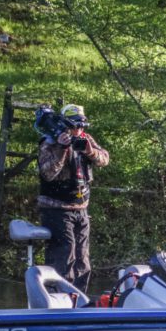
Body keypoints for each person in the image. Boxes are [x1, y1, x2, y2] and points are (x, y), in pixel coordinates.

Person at [37, 104, 110, 293]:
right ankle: (59, 298)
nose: (79, 130)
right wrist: (62, 148)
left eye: (82, 126)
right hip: (56, 208)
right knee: (65, 255)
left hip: (81, 208)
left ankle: (79, 300)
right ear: (65, 124)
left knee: (83, 260)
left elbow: (104, 159)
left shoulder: (86, 138)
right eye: (75, 126)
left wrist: (90, 151)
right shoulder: (49, 142)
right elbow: (48, 174)